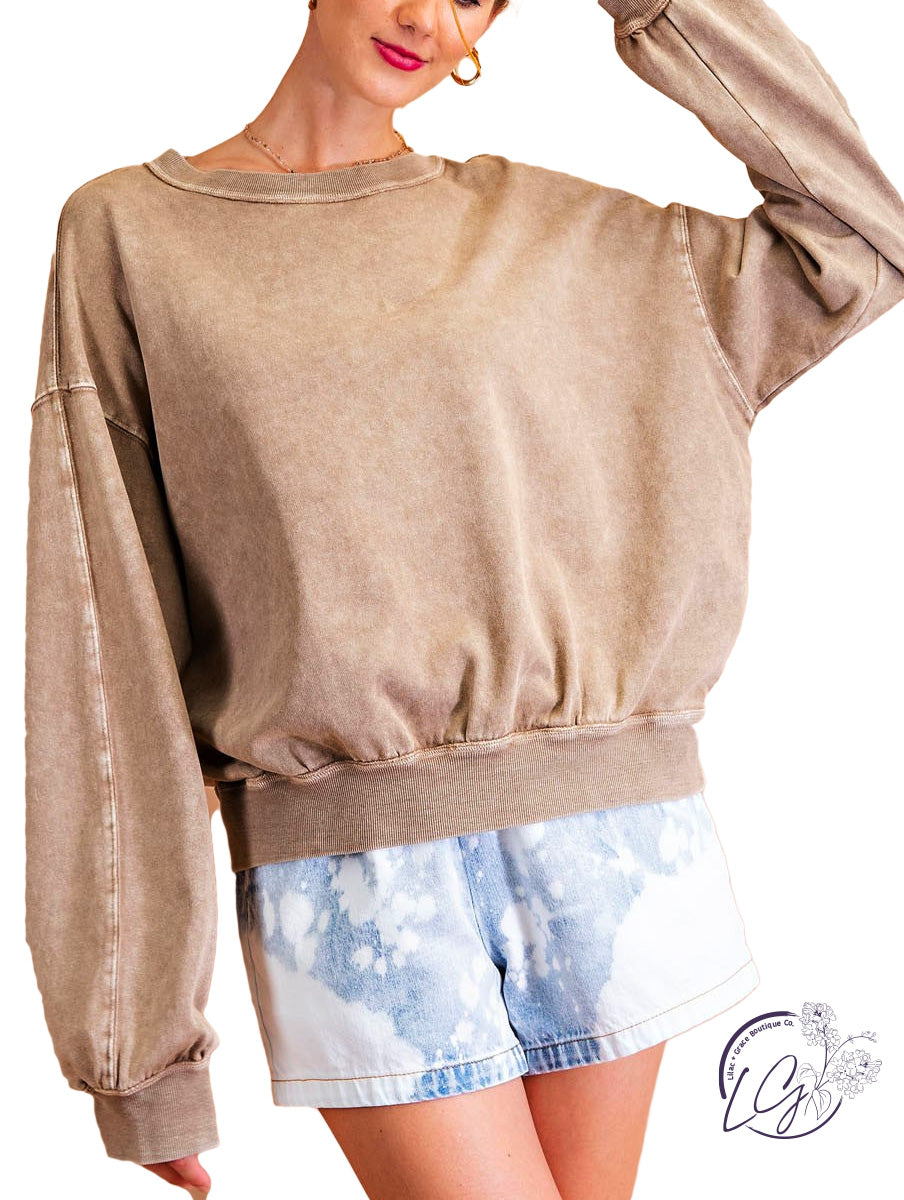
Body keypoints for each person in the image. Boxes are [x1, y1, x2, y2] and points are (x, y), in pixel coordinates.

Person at [23, 0, 904, 1198]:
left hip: (615, 841)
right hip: (352, 876)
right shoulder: (130, 233)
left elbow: (855, 239)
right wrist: (135, 1039)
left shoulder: (565, 235)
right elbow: (103, 630)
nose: (426, 17)